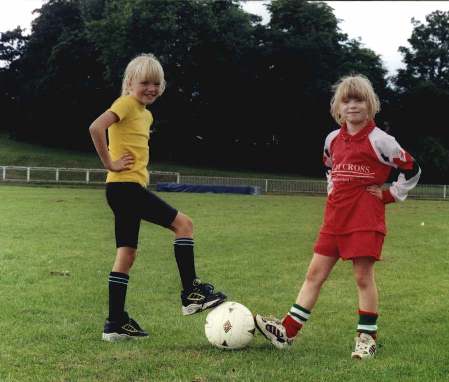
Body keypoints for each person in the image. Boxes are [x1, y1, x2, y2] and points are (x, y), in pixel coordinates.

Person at [255, 74, 421, 359]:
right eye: (347, 100)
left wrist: (389, 194)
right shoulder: (332, 139)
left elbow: (413, 168)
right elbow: (330, 167)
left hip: (365, 219)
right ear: (338, 107)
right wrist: (333, 191)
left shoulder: (382, 140)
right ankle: (287, 332)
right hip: (334, 219)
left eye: (359, 100)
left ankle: (366, 338)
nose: (353, 106)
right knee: (314, 274)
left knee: (362, 277)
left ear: (370, 105)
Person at [89, 53, 226, 342]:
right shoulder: (125, 103)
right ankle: (191, 293)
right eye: (145, 83)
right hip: (125, 187)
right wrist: (109, 163)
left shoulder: (145, 112)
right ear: (129, 83)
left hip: (124, 189)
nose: (151, 88)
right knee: (184, 225)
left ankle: (114, 323)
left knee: (126, 255)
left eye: (156, 83)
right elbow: (96, 127)